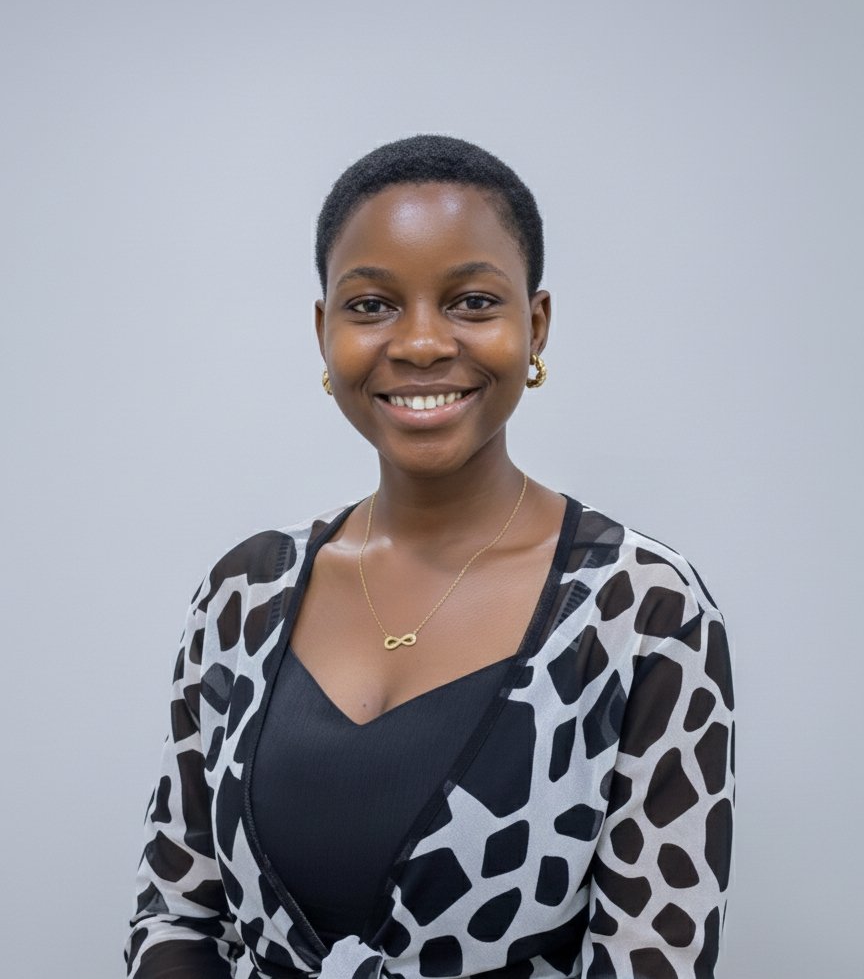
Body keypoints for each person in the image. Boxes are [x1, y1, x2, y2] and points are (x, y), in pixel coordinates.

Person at [125, 135, 734, 979]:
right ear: (323, 329)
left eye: (472, 301)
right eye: (371, 305)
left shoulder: (642, 610)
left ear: (536, 323)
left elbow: (651, 956)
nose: (418, 343)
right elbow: (176, 912)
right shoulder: (244, 594)